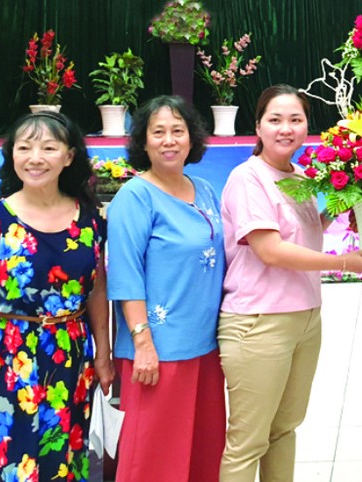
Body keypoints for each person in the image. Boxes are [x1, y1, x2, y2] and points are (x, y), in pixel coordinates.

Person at [218, 85, 362, 482]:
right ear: (257, 126)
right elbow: (271, 250)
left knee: (284, 430)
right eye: (275, 120)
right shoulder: (248, 179)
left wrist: (342, 207)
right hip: (259, 323)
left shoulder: (300, 176)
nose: (286, 129)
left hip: (306, 319)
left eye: (296, 120)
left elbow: (303, 232)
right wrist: (343, 262)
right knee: (248, 441)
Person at [0, 111, 114, 481]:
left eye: (49, 147)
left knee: (61, 456)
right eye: (25, 147)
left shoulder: (89, 220)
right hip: (0, 359)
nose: (35, 157)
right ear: (12, 155)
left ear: (69, 156)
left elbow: (97, 291)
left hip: (67, 360)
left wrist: (104, 354)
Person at [107, 96, 226, 482]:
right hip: (157, 352)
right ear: (143, 141)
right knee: (153, 460)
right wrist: (142, 342)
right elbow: (125, 275)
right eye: (158, 132)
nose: (169, 140)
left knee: (202, 453)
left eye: (178, 131)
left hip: (206, 346)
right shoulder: (134, 197)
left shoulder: (204, 189)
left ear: (193, 139)